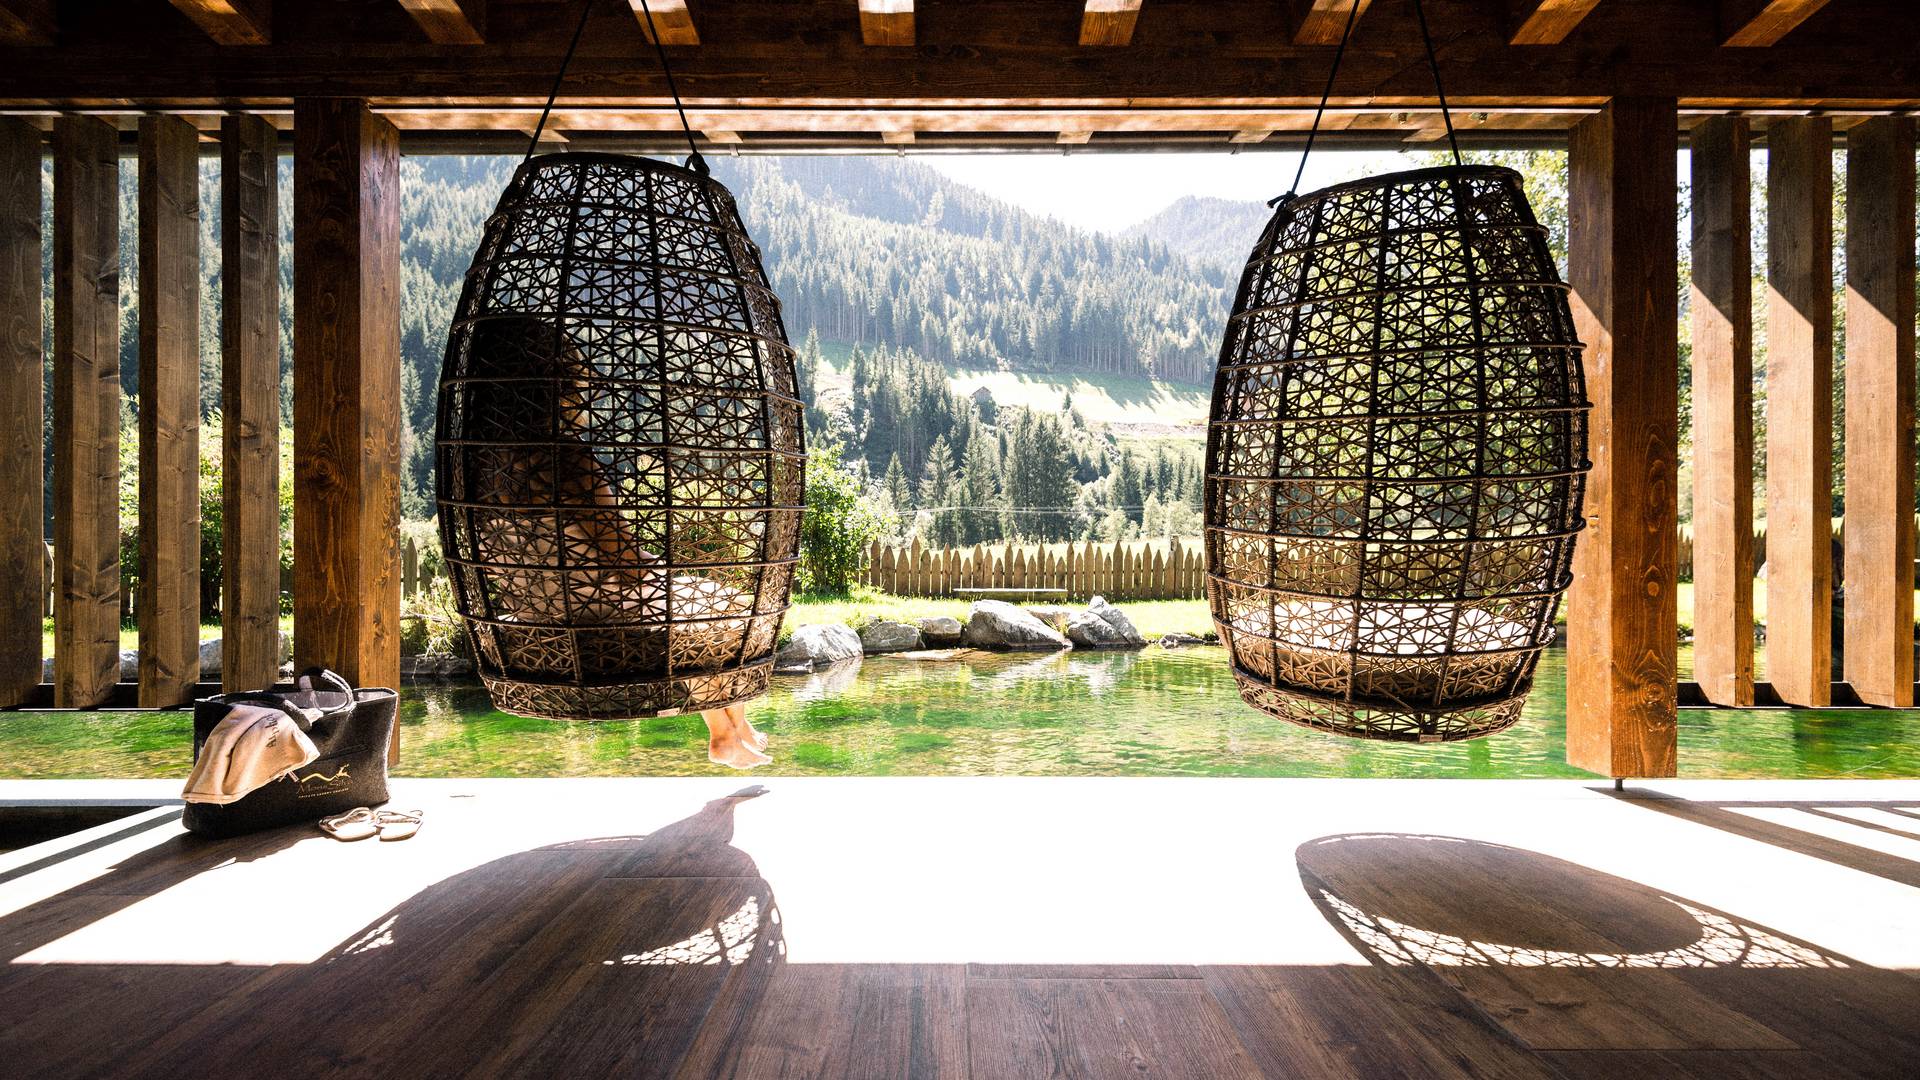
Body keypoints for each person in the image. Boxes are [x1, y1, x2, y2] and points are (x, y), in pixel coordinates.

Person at [457, 315, 773, 769]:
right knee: (731, 606)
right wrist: (662, 565)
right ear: (556, 387)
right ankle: (727, 731)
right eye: (576, 380)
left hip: (530, 610)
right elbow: (626, 563)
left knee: (698, 604)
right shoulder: (568, 462)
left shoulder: (475, 470)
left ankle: (733, 731)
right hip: (593, 607)